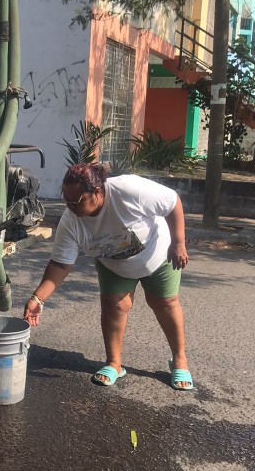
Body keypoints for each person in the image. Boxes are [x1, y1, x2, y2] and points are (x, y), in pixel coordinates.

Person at [22, 163, 193, 390]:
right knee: (114, 306)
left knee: (164, 303)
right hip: (114, 264)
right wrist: (38, 299)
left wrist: (179, 242)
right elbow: (60, 265)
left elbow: (172, 202)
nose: (71, 206)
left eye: (77, 200)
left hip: (159, 253)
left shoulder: (129, 190)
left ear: (98, 192)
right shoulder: (70, 221)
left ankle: (179, 359)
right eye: (66, 200)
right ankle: (114, 363)